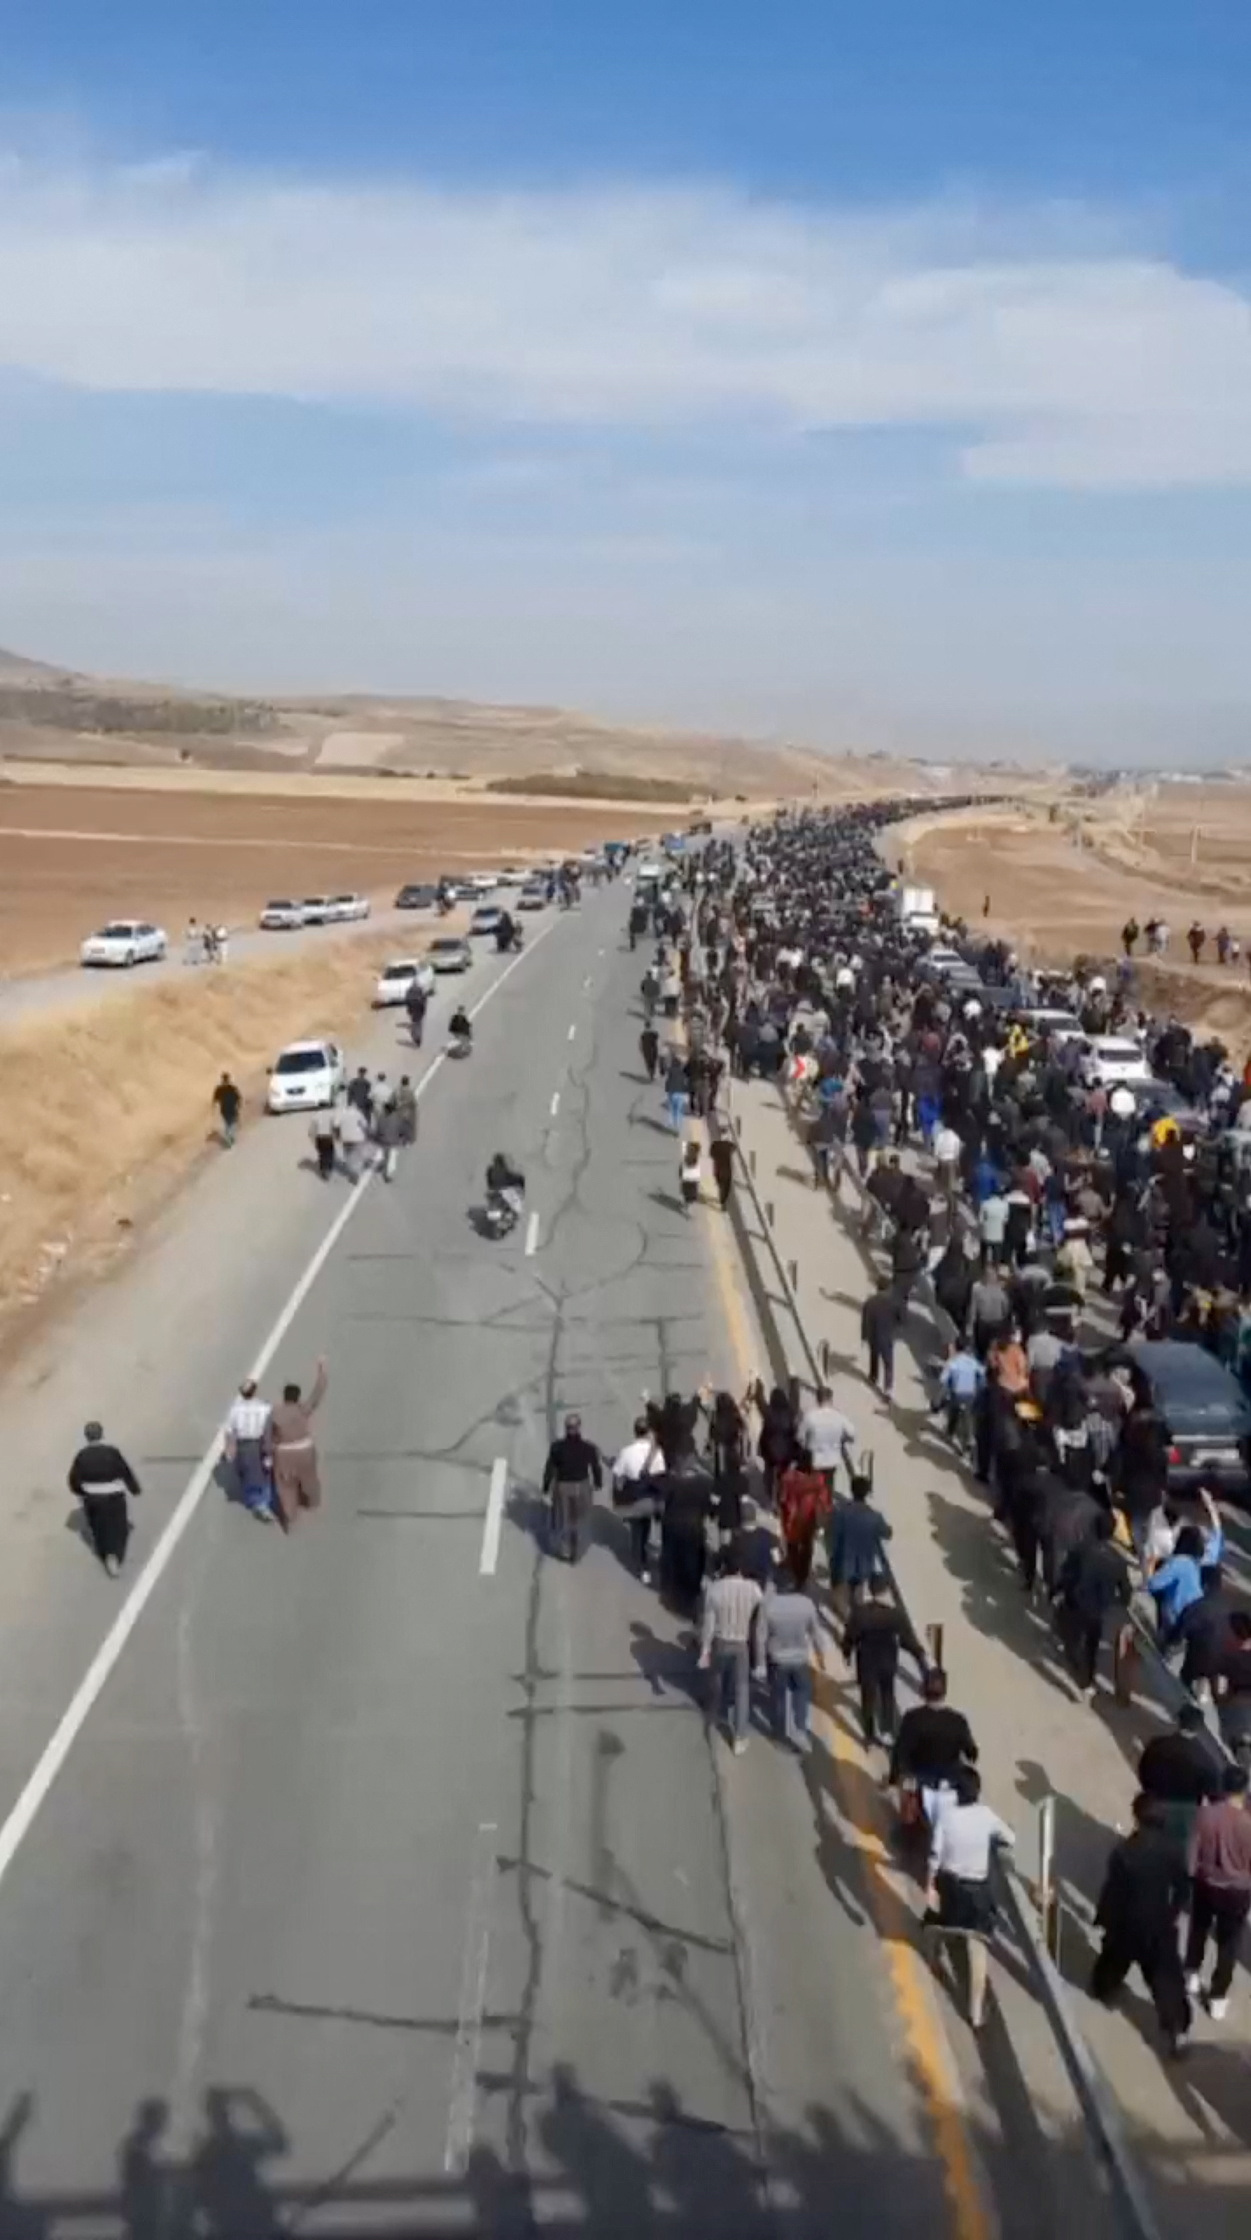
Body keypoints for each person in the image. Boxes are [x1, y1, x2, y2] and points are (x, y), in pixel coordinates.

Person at [1091, 1794, 1192, 2056]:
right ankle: (1177, 2030)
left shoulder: (1125, 1851)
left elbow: (1112, 1890)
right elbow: (1183, 1887)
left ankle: (1103, 1989)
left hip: (1126, 1923)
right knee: (1167, 1980)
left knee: (1112, 1960)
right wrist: (1173, 1912)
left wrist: (1103, 1916)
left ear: (1137, 1817)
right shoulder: (1173, 1849)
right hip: (1159, 1924)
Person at [923, 1765, 1014, 2026]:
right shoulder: (986, 1816)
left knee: (934, 1927)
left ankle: (932, 1959)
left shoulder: (947, 1818)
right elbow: (1010, 1837)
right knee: (978, 1950)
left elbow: (935, 1856)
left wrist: (930, 1884)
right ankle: (975, 2012)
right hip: (976, 1895)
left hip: (949, 1887)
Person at [1183, 1765, 1251, 2021]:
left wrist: (1192, 1874)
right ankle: (1218, 1996)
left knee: (1198, 1928)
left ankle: (1191, 1972)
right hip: (1237, 1891)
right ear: (1243, 1791)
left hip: (1206, 1882)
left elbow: (1193, 1850)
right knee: (1229, 1944)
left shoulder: (1205, 1814)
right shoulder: (1248, 1823)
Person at [1054, 1510, 1130, 1701]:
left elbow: (1067, 1573)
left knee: (1071, 1640)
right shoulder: (1119, 1561)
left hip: (1075, 1603)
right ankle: (1088, 1680)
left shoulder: (1082, 1550)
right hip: (1099, 1610)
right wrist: (1116, 1604)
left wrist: (1056, 1590)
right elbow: (1126, 1592)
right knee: (1091, 1646)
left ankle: (1081, 1677)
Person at [844, 1574, 926, 1747]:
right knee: (887, 1695)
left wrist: (846, 1653)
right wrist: (919, 1653)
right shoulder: (895, 1615)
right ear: (886, 1591)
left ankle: (869, 1734)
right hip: (888, 1661)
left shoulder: (860, 1613)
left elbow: (850, 1636)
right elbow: (907, 1641)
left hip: (866, 1661)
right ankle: (887, 1730)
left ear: (870, 1590)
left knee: (868, 1697)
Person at [890, 1667, 978, 1829]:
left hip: (920, 1776)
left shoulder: (913, 1718)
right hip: (950, 1778)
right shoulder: (958, 1721)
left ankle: (907, 1824)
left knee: (907, 1788)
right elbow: (971, 1751)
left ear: (923, 1690)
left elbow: (901, 1751)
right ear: (945, 1692)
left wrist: (894, 1777)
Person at [698, 1543, 764, 1754]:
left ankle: (714, 1713)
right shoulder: (753, 1589)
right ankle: (739, 1737)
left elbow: (708, 1625)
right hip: (741, 1644)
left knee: (716, 1681)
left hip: (720, 1641)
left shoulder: (714, 1590)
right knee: (742, 1689)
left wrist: (705, 1649)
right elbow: (761, 1613)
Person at [68, 1421, 141, 1576]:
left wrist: (81, 1492)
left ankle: (108, 1555)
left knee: (100, 1530)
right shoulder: (112, 1452)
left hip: (93, 1499)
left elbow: (73, 1480)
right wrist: (134, 1489)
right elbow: (125, 1472)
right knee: (119, 1528)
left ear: (86, 1437)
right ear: (102, 1434)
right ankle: (116, 1556)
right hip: (114, 1496)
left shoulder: (81, 1456)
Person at [761, 1564, 821, 1751]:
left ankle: (778, 1733)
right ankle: (800, 1728)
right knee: (802, 1693)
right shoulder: (806, 1604)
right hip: (800, 1658)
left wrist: (760, 1662)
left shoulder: (769, 1605)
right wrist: (821, 1653)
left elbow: (761, 1635)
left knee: (778, 1696)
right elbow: (815, 1631)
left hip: (778, 1659)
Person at [269, 1358, 329, 1528]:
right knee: (309, 1477)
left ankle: (289, 1513)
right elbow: (318, 1392)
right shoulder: (303, 1409)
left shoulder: (275, 1413)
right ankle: (312, 1501)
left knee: (286, 1485)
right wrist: (322, 1372)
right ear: (297, 1397)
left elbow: (268, 1436)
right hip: (305, 1450)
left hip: (284, 1454)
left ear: (284, 1397)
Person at [543, 1412, 603, 1564]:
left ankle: (565, 1548)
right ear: (579, 1427)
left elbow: (550, 1468)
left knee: (563, 1518)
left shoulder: (557, 1447)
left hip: (563, 1486)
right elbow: (596, 1467)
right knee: (580, 1519)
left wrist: (545, 1487)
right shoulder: (588, 1448)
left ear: (566, 1428)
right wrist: (597, 1483)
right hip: (582, 1486)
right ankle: (578, 1551)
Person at [827, 1469, 892, 1605]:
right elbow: (887, 1533)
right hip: (864, 1563)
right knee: (859, 1592)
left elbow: (832, 1535)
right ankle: (857, 1614)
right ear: (867, 1493)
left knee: (842, 1593)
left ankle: (846, 1615)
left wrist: (831, 1554)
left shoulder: (841, 1512)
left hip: (843, 1560)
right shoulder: (874, 1516)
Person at [612, 1416, 664, 1579]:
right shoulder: (656, 1452)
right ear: (648, 1432)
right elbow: (661, 1475)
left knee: (637, 1532)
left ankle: (641, 1566)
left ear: (635, 1432)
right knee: (651, 1528)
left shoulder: (626, 1452)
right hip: (652, 1498)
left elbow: (618, 1475)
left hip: (634, 1498)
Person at [777, 1451, 831, 1587]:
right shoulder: (818, 1478)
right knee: (807, 1546)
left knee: (793, 1545)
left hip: (792, 1516)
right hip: (810, 1516)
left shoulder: (789, 1477)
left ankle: (795, 1570)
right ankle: (803, 1574)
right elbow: (823, 1499)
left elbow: (783, 1497)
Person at [224, 1379, 274, 1522]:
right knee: (264, 1473)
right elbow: (269, 1429)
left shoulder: (235, 1409)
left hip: (243, 1445)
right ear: (255, 1391)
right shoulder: (265, 1408)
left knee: (246, 1473)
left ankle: (253, 1500)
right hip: (259, 1444)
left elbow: (229, 1432)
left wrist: (229, 1450)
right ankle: (263, 1502)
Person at [798, 1384, 856, 1496]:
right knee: (828, 1490)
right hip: (832, 1459)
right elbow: (852, 1434)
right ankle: (827, 1508)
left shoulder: (810, 1416)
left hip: (815, 1460)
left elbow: (800, 1437)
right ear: (830, 1399)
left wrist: (806, 1445)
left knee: (813, 1491)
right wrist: (842, 1439)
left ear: (817, 1399)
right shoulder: (839, 1416)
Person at [860, 1276, 899, 1397]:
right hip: (887, 1337)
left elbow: (865, 1321)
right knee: (888, 1364)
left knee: (874, 1357)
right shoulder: (893, 1303)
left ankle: (873, 1377)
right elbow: (900, 1319)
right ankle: (887, 1390)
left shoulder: (870, 1302)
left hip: (873, 1336)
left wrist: (864, 1336)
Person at [212, 1071, 241, 1148]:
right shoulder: (233, 1088)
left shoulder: (219, 1089)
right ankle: (230, 1137)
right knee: (232, 1123)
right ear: (228, 1079)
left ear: (222, 1079)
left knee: (227, 1124)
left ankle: (229, 1138)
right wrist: (239, 1106)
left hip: (224, 1109)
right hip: (232, 1108)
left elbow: (215, 1099)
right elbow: (238, 1098)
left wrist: (214, 1106)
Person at [709, 1128, 736, 1212]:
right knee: (726, 1187)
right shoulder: (729, 1146)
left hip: (717, 1169)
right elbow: (734, 1148)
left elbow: (711, 1154)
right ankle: (723, 1202)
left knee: (720, 1185)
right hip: (727, 1170)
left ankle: (721, 1200)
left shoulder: (715, 1144)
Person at [309, 1104, 338, 1180]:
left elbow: (311, 1131)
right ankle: (329, 1168)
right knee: (330, 1153)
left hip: (320, 1138)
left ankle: (323, 1169)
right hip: (328, 1137)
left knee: (322, 1154)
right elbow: (335, 1126)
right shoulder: (331, 1115)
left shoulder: (315, 1116)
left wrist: (313, 1140)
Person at [678, 1137, 702, 1210]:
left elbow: (683, 1166)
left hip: (688, 1178)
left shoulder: (690, 1158)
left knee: (686, 1190)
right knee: (688, 1192)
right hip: (691, 1179)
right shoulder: (695, 1159)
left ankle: (686, 1203)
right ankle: (686, 1204)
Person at [405, 979, 428, 1045]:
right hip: (419, 1010)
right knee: (419, 1025)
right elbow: (424, 1000)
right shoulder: (420, 990)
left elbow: (407, 1000)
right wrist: (424, 1009)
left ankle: (416, 1037)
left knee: (415, 1024)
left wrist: (409, 1009)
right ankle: (418, 1037)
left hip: (413, 1010)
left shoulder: (409, 991)